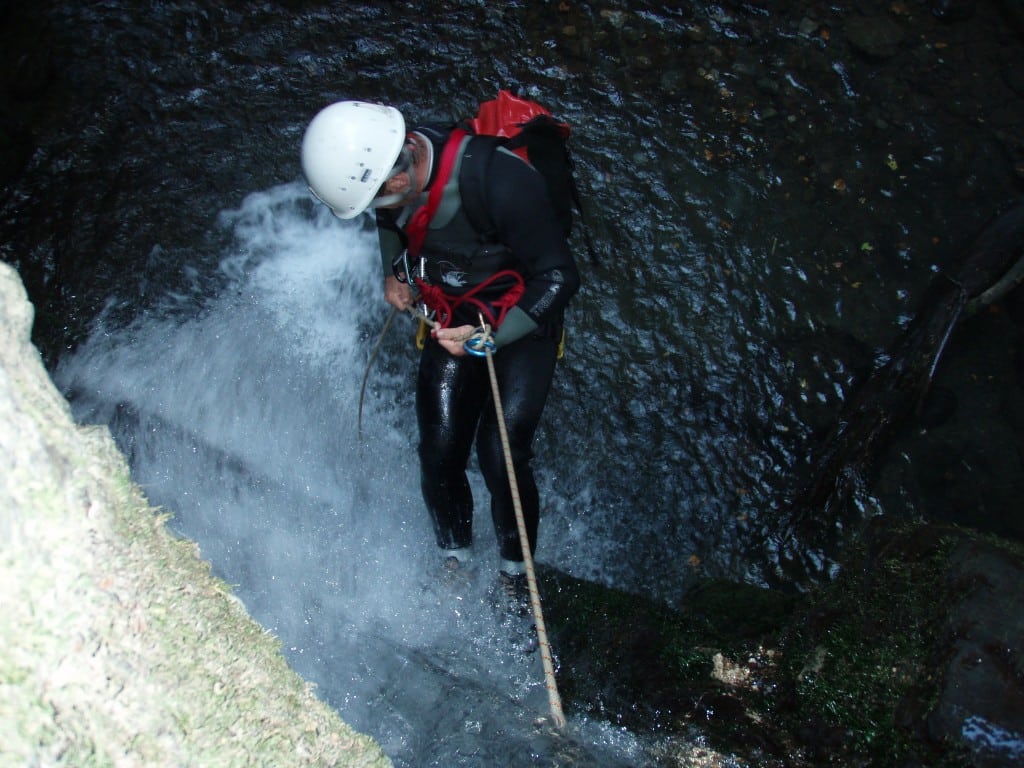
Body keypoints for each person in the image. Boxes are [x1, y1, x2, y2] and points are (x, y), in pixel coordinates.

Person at [301, 100, 580, 597]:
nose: (381, 207)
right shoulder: (390, 178)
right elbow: (389, 220)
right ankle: (455, 558)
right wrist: (394, 272)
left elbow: (559, 276)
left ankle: (516, 574)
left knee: (501, 455)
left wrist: (493, 336)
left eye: (383, 195)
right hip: (452, 309)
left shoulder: (499, 182)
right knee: (438, 449)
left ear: (403, 163)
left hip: (520, 316)